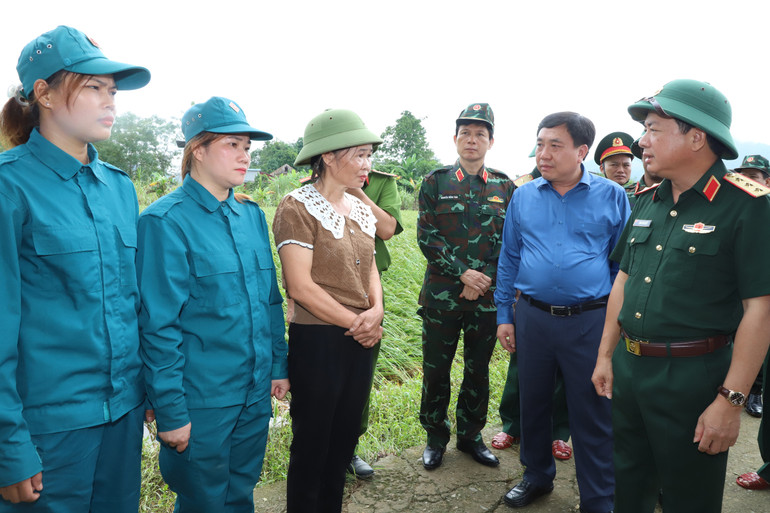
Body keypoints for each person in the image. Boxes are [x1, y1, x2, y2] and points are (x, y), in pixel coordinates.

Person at [591, 79, 770, 513]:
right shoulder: (647, 200)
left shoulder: (748, 205)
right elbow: (623, 281)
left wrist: (731, 402)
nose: (641, 141)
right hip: (631, 368)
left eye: (653, 128)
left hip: (694, 376)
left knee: (690, 496)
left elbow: (760, 309)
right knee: (628, 484)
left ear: (696, 137)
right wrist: (605, 355)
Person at [0, 26, 150, 511]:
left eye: (112, 90)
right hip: (48, 428)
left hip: (123, 417)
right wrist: (9, 447)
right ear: (42, 92)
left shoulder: (119, 188)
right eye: (92, 87)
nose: (110, 102)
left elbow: (133, 303)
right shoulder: (10, 188)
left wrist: (149, 392)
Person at [136, 97, 288, 512]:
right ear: (197, 150)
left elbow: (270, 299)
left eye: (247, 148)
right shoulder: (165, 222)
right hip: (202, 399)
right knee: (202, 500)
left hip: (254, 392)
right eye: (232, 145)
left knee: (241, 492)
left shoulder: (250, 215)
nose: (244, 157)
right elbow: (157, 325)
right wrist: (169, 409)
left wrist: (278, 367)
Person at [496, 112, 628, 513]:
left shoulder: (611, 196)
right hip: (532, 317)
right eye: (540, 144)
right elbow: (510, 256)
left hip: (589, 321)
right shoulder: (524, 196)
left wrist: (611, 321)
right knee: (532, 403)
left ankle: (599, 497)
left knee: (592, 410)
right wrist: (504, 313)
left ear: (582, 151)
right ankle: (536, 476)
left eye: (555, 145)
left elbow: (621, 265)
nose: (544, 154)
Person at [272, 108, 384, 512]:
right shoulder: (297, 206)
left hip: (361, 336)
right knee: (313, 441)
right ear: (329, 157)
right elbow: (300, 286)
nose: (367, 164)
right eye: (359, 155)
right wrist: (359, 322)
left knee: (344, 438)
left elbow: (371, 265)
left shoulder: (359, 208)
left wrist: (378, 311)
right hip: (320, 337)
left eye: (369, 154)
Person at [417, 102, 514, 471]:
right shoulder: (435, 182)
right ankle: (435, 437)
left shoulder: (505, 187)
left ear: (491, 141)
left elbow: (511, 241)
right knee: (436, 370)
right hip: (442, 297)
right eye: (466, 133)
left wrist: (483, 277)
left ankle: (471, 436)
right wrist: (463, 273)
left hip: (486, 301)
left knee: (478, 369)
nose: (472, 140)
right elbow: (427, 236)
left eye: (480, 134)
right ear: (455, 138)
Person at [493, 147, 572, 463]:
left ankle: (558, 433)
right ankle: (512, 425)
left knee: (564, 372)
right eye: (542, 151)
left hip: (573, 304)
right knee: (520, 367)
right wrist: (510, 300)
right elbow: (511, 251)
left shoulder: (584, 193)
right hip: (529, 299)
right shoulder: (524, 191)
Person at [346, 168, 403, 478]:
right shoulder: (314, 183)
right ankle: (320, 447)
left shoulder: (382, 183)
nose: (362, 159)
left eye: (366, 153)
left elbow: (387, 230)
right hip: (322, 283)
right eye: (356, 151)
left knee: (362, 369)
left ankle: (349, 447)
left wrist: (356, 191)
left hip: (369, 284)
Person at [594, 131, 636, 202]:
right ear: (602, 168)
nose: (621, 170)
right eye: (614, 165)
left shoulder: (640, 198)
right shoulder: (594, 197)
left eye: (626, 165)